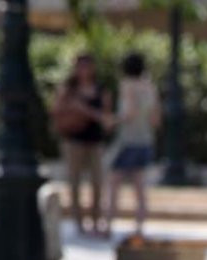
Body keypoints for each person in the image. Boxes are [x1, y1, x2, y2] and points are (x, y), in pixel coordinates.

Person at [104, 52, 161, 240]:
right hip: (145, 141)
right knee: (140, 189)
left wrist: (112, 120)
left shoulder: (127, 85)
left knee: (114, 185)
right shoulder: (151, 88)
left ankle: (108, 227)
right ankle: (139, 229)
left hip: (127, 141)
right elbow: (155, 120)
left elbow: (129, 112)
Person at [54, 54, 112, 237]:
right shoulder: (68, 89)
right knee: (75, 183)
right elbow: (56, 110)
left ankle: (96, 221)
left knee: (97, 183)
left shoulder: (101, 89)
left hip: (95, 141)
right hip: (73, 141)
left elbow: (106, 117)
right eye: (81, 66)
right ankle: (78, 223)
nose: (84, 70)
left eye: (87, 66)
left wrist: (87, 111)